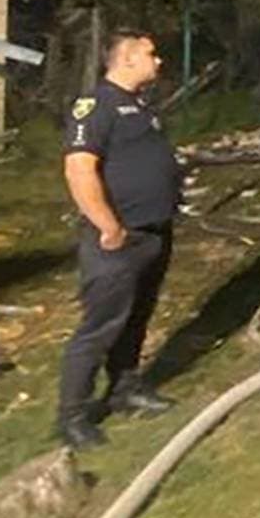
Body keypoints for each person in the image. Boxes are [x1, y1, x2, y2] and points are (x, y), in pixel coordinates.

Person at [55, 28, 181, 448]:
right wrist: (108, 226)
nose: (158, 61)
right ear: (126, 59)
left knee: (136, 318)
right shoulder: (96, 106)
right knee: (100, 326)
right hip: (117, 238)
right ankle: (73, 414)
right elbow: (79, 170)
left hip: (153, 231)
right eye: (150, 53)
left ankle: (126, 388)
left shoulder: (139, 104)